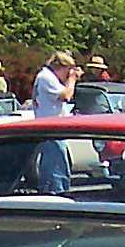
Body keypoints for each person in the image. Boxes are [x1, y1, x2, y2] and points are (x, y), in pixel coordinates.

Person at [32, 51, 80, 193]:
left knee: (57, 163)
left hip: (52, 129)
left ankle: (54, 190)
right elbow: (66, 95)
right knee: (56, 168)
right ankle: (56, 194)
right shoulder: (46, 78)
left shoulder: (46, 77)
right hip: (51, 129)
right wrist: (72, 80)